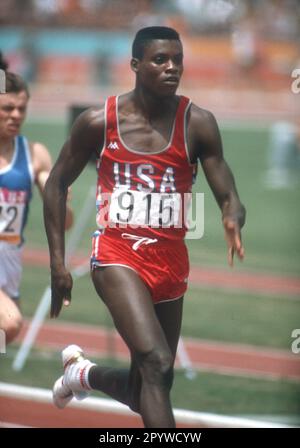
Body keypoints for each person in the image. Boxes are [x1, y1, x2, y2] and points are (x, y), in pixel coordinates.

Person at [43, 26, 246, 428]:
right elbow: (56, 185)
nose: (172, 68)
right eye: (160, 60)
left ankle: (81, 374)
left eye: (178, 60)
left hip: (170, 264)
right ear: (135, 65)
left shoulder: (198, 123)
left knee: (152, 383)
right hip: (117, 255)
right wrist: (57, 264)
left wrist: (231, 215)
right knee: (156, 361)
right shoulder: (98, 121)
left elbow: (228, 192)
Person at [0, 62, 73, 344]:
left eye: (22, 109)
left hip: (9, 269)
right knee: (10, 323)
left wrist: (57, 195)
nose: (16, 115)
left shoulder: (34, 154)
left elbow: (65, 221)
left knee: (4, 340)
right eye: (7, 108)